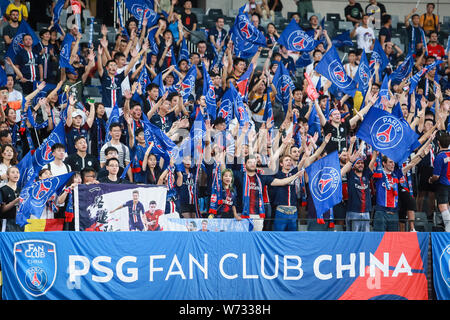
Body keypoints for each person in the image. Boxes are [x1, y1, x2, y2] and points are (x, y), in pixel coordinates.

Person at [429, 132, 450, 232]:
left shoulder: (440, 156)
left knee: (442, 206)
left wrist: (430, 179)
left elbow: (436, 176)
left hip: (443, 184)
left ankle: (448, 230)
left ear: (438, 143)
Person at [0, 166, 22, 232]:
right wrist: (15, 202)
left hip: (20, 223)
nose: (16, 174)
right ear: (7, 176)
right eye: (13, 172)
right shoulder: (3, 190)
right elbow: (2, 210)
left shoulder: (21, 190)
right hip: (7, 222)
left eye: (17, 172)